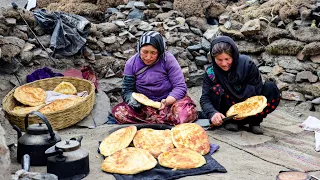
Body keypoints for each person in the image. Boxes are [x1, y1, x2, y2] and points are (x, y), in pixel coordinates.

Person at [112, 31, 198, 125]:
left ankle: (154, 121)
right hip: (145, 106)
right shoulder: (131, 64)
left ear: (160, 51)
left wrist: (166, 102)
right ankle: (163, 121)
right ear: (139, 49)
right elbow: (127, 90)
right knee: (119, 113)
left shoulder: (168, 60)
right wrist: (132, 101)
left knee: (185, 113)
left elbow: (180, 87)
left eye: (153, 53)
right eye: (145, 52)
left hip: (169, 102)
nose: (148, 57)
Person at [200, 36, 280, 134]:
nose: (224, 63)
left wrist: (244, 111)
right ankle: (231, 121)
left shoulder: (247, 65)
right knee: (216, 89)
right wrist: (213, 113)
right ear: (213, 58)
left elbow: (257, 91)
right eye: (219, 60)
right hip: (228, 112)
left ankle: (255, 122)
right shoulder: (211, 73)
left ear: (234, 55)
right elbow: (205, 98)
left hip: (251, 109)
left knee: (270, 88)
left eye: (227, 59)